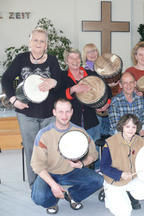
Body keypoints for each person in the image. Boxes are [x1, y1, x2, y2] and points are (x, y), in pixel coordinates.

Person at [1, 28, 62, 188]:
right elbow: (6, 79)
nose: (38, 44)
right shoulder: (21, 59)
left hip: (49, 113)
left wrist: (53, 82)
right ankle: (35, 185)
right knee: (31, 150)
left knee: (48, 149)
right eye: (35, 40)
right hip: (26, 112)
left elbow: (61, 84)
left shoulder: (53, 60)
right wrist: (13, 100)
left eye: (42, 41)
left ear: (46, 45)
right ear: (30, 43)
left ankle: (49, 183)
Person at [31, 98, 103, 214]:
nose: (64, 115)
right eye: (60, 111)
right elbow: (36, 165)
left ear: (72, 112)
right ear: (54, 112)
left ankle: (72, 195)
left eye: (67, 111)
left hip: (72, 171)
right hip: (50, 172)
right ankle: (52, 202)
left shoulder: (80, 131)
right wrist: (54, 185)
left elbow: (94, 154)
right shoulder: (44, 134)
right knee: (39, 197)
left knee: (98, 180)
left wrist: (82, 163)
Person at [100, 114, 144, 216]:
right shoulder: (110, 142)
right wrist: (120, 174)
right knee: (124, 213)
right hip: (115, 181)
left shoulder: (140, 141)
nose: (130, 130)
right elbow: (104, 167)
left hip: (131, 178)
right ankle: (109, 195)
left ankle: (127, 193)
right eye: (127, 126)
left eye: (133, 127)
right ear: (122, 126)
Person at [108, 71, 144, 144]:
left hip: (137, 135)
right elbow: (116, 127)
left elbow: (142, 122)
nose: (128, 85)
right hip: (120, 138)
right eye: (125, 83)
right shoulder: (115, 101)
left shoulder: (140, 99)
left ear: (135, 84)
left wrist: (142, 138)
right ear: (120, 85)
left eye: (131, 82)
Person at [82, 43, 112, 171]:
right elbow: (83, 94)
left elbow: (109, 89)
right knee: (94, 141)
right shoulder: (83, 72)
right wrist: (95, 107)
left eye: (94, 51)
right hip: (92, 112)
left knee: (108, 141)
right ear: (85, 55)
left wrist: (107, 103)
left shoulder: (103, 70)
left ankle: (106, 165)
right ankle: (95, 166)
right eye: (89, 52)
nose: (93, 54)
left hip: (107, 110)